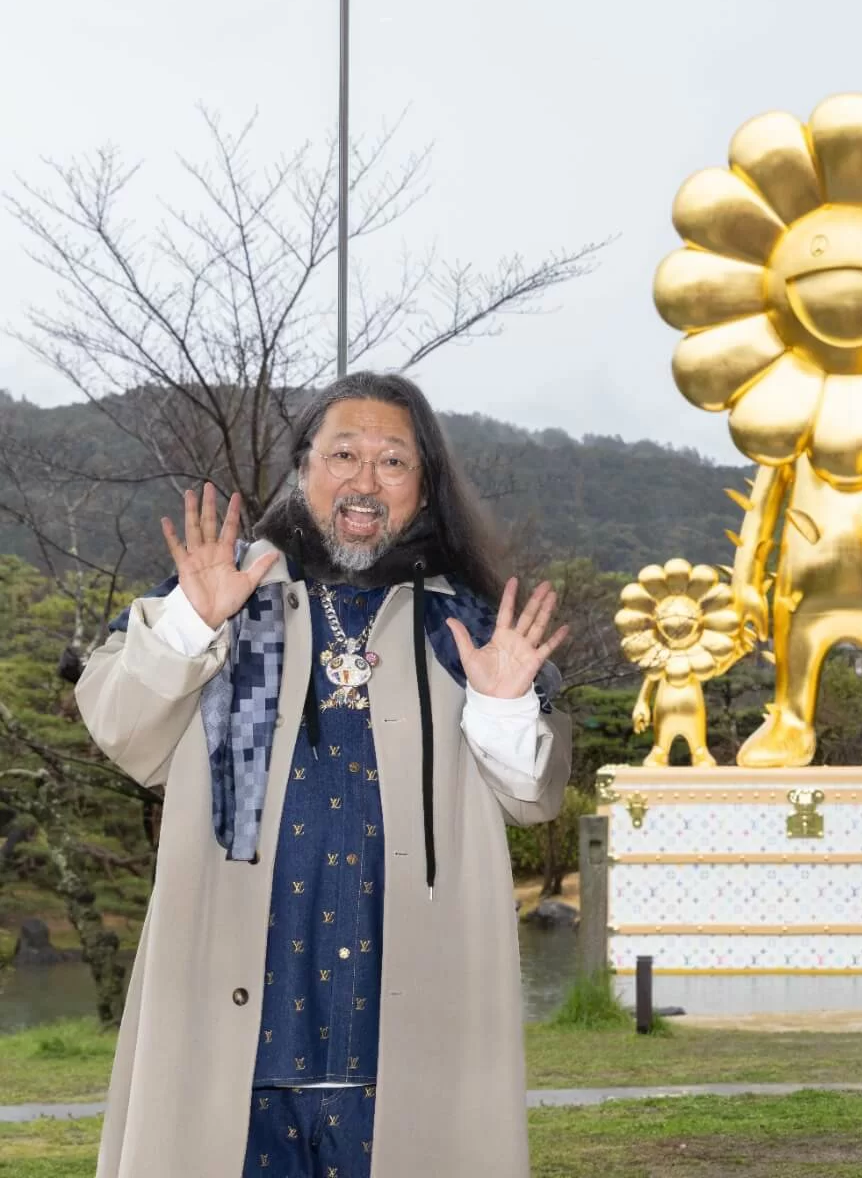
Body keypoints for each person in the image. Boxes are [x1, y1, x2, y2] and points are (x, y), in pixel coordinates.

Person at [77, 371, 573, 1178]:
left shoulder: (468, 624)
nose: (365, 479)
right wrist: (191, 624)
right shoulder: (225, 595)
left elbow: (533, 795)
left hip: (413, 1045)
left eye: (393, 461)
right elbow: (121, 728)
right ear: (303, 470)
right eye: (343, 453)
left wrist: (505, 705)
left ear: (424, 488)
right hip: (232, 1041)